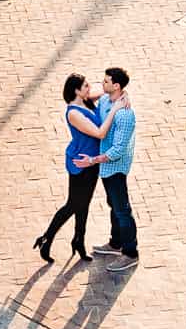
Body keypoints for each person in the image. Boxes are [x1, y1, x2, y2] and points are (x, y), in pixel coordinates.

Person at [34, 73, 124, 263]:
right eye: (85, 86)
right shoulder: (74, 113)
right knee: (73, 204)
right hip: (80, 162)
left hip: (92, 161)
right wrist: (116, 108)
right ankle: (46, 238)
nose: (89, 88)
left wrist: (123, 94)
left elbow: (106, 90)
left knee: (85, 204)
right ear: (75, 90)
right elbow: (99, 133)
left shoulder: (86, 100)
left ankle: (78, 241)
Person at [76, 66, 138, 270]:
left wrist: (92, 160)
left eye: (105, 81)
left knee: (122, 209)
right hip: (104, 165)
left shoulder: (125, 115)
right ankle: (116, 242)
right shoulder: (105, 100)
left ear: (116, 86)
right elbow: (89, 99)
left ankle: (130, 253)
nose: (101, 84)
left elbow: (117, 150)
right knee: (113, 204)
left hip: (115, 167)